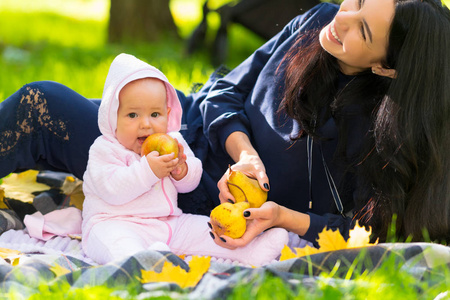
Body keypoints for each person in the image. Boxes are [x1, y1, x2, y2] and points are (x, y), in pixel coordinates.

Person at [0, 0, 449, 249]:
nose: (342, 19)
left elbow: (370, 229)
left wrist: (281, 218)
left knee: (41, 108)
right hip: (178, 129)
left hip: (189, 189)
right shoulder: (316, 21)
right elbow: (223, 90)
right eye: (360, 1)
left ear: (388, 69)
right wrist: (245, 152)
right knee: (39, 106)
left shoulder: (379, 139)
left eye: (363, 31)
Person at [80, 53, 288, 265]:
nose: (146, 124)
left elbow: (191, 183)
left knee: (205, 229)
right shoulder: (105, 149)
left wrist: (182, 170)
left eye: (155, 115)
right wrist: (148, 171)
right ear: (112, 117)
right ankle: (141, 261)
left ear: (167, 114)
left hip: (168, 223)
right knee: (118, 243)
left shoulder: (172, 141)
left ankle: (252, 250)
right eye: (133, 115)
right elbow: (112, 190)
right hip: (113, 223)